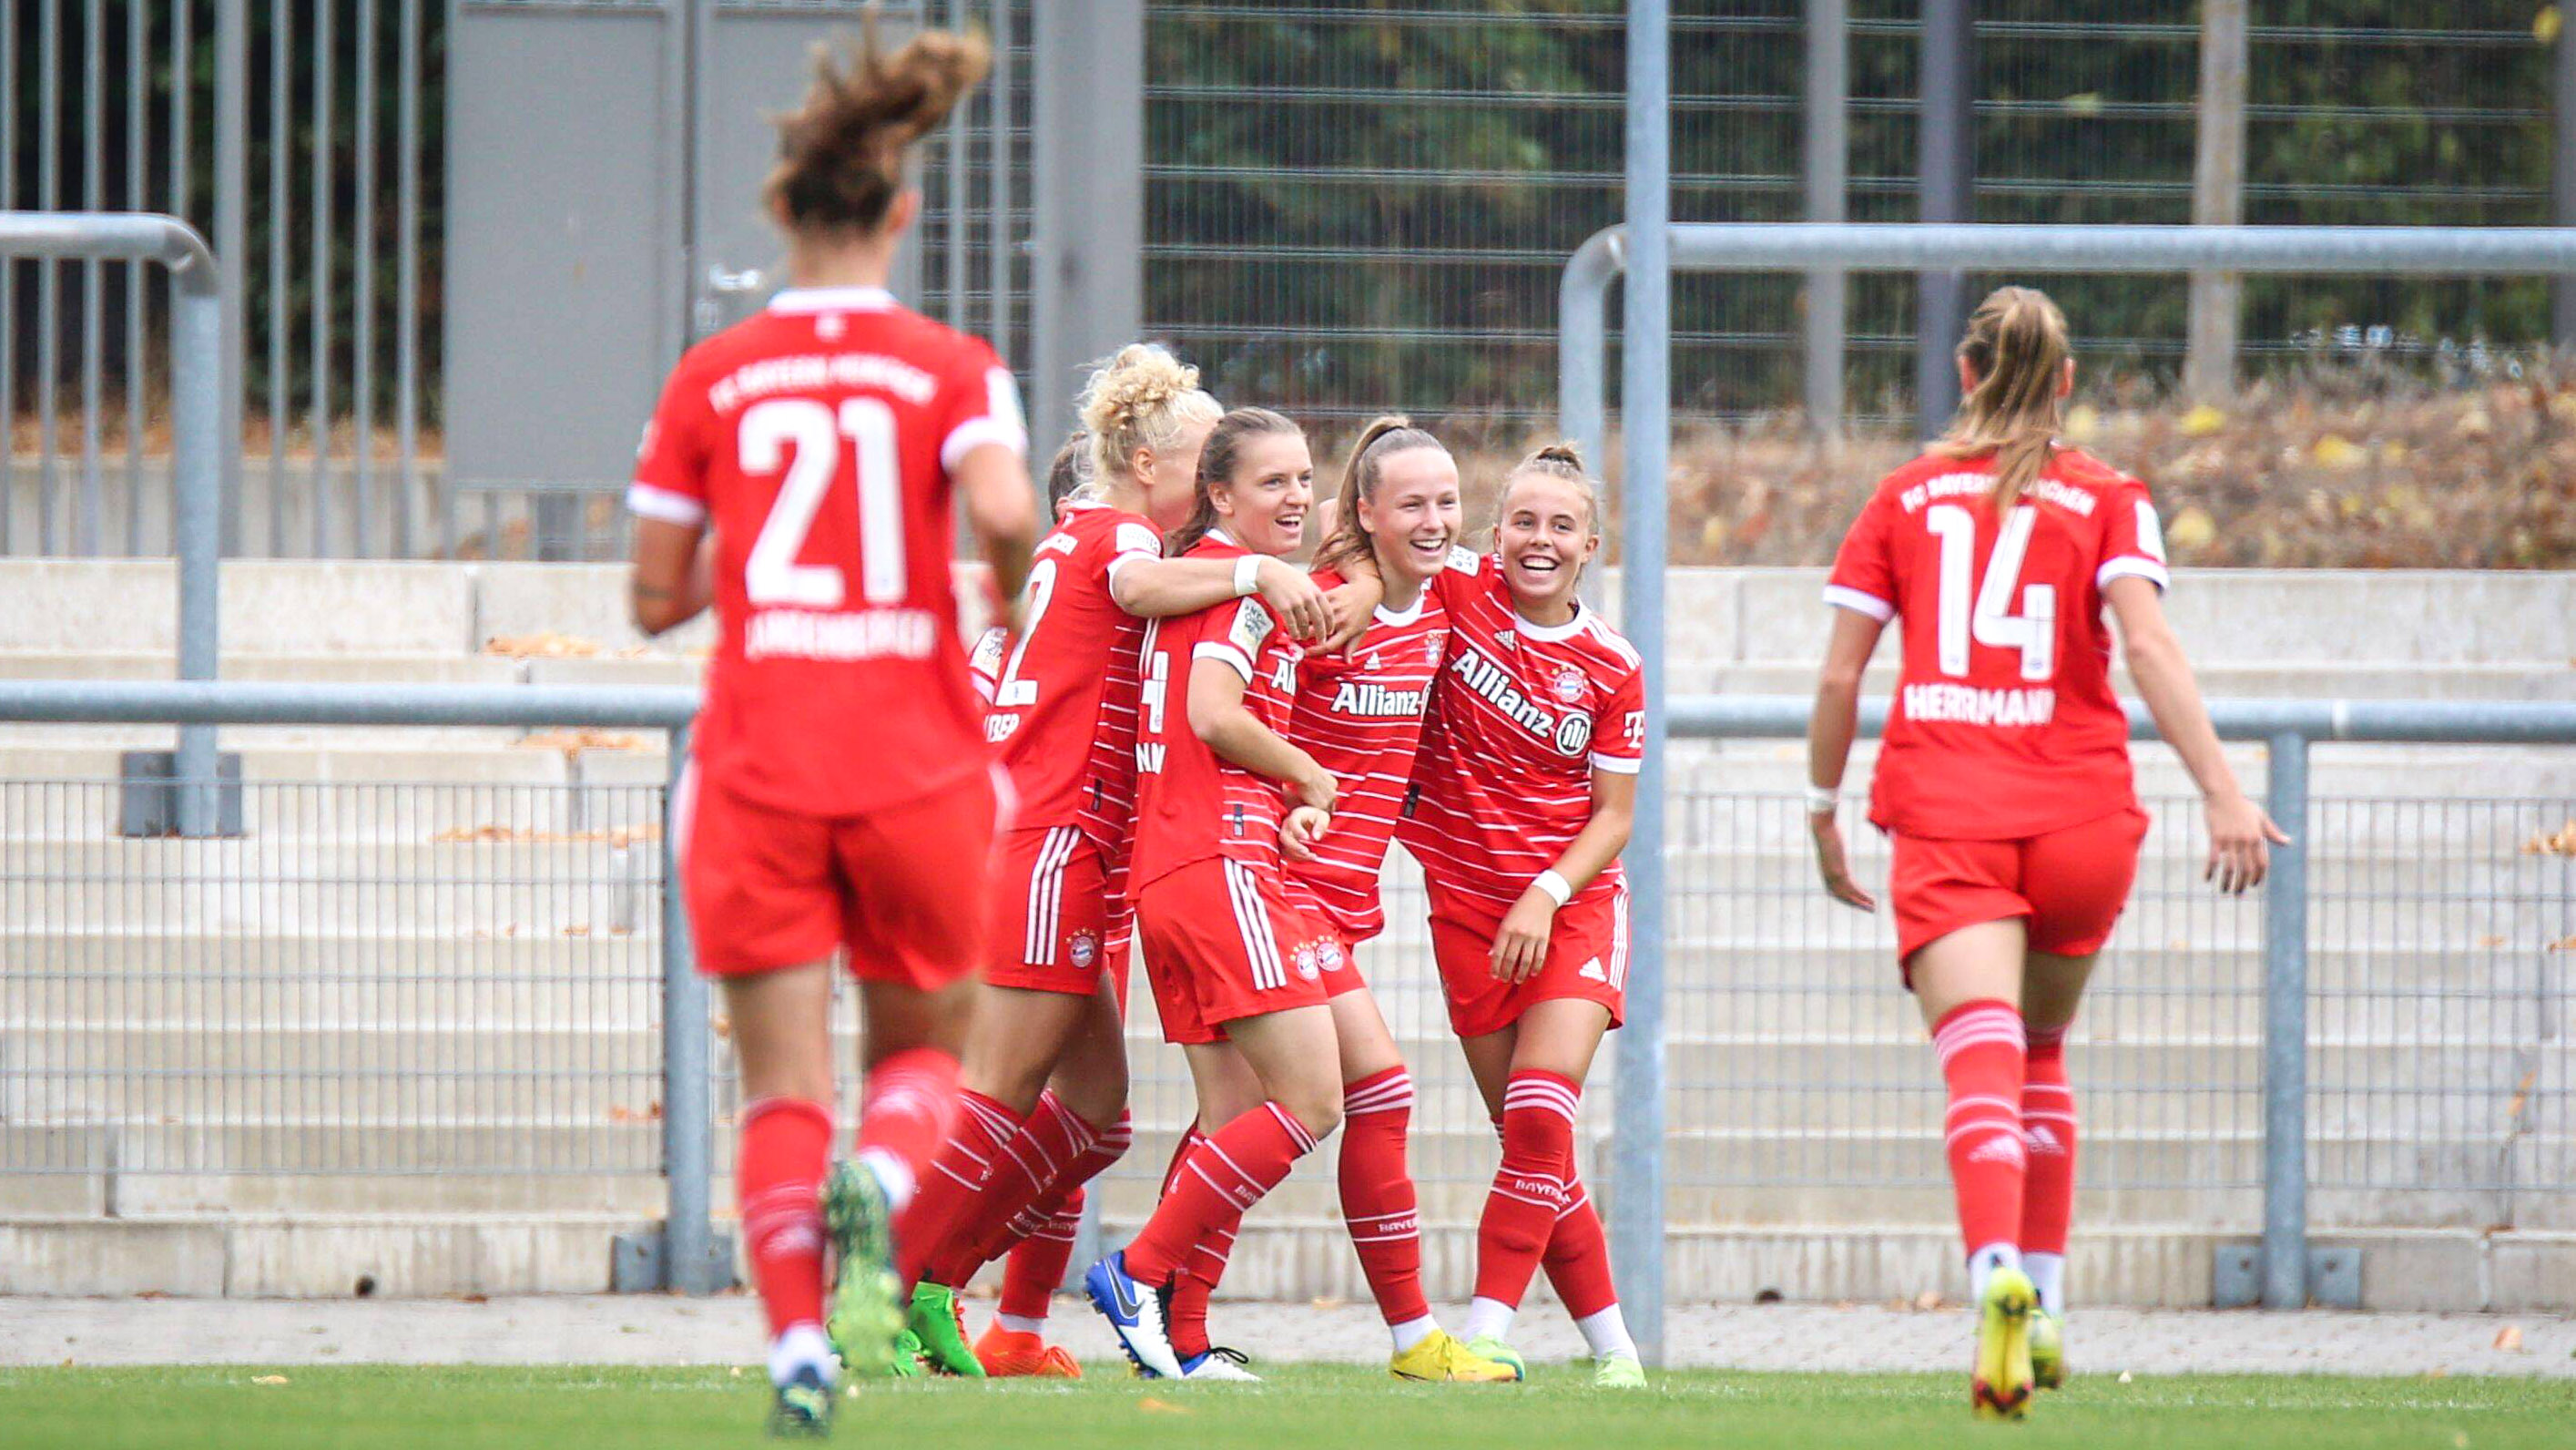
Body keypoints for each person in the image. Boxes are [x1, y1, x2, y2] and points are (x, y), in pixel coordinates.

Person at [623, 23, 1035, 1435]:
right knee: (932, 1052)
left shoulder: (711, 373)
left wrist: (761, 582)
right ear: (903, 213)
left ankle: (797, 1349)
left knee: (779, 1085)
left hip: (757, 762)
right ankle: (898, 1181)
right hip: (914, 757)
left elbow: (651, 598)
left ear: (784, 210)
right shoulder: (952, 365)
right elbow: (1000, 509)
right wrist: (992, 584)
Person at [1804, 285, 2286, 1421]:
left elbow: (1838, 677)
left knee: (1979, 1051)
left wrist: (1822, 804)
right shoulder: (2109, 496)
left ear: (1965, 376)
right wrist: (2223, 789)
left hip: (1949, 808)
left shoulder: (1904, 496)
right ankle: (2053, 1300)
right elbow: (2149, 640)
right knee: (2044, 1048)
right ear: (2066, 382)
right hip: (2082, 817)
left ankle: (1995, 1278)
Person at [896, 346, 1342, 1379]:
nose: (1221, 480)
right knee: (1001, 1086)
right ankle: (879, 1287)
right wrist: (1259, 567)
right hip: (1057, 831)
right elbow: (1145, 594)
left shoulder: (1093, 535)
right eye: (1208, 462)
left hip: (1086, 842)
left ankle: (940, 1282)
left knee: (1097, 1113)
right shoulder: (1127, 537)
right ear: (1148, 462)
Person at [1080, 408, 1351, 1381]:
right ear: (1221, 497)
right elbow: (1212, 713)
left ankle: (1182, 1337)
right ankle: (1138, 1271)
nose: (1296, 497)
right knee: (1316, 1098)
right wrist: (1311, 776)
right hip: (1216, 868)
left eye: (1304, 478)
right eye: (1271, 481)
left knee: (1231, 1111)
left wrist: (1281, 798)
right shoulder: (1239, 589)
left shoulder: (1209, 584)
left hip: (1183, 867)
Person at [1396, 443, 1648, 1389]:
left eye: (1561, 526)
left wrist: (1546, 890)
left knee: (1543, 1113)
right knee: (1533, 1146)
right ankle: (1617, 1351)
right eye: (1523, 522)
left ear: (1590, 544)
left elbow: (1614, 816)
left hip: (1569, 910)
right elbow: (1379, 538)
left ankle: (1485, 1330)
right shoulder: (1456, 592)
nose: (1539, 540)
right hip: (1467, 915)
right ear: (1493, 531)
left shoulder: (1614, 663)